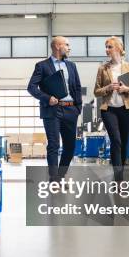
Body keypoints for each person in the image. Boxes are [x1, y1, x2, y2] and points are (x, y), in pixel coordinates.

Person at [27, 36, 82, 181]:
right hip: (52, 110)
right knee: (54, 145)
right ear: (58, 46)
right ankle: (54, 178)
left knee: (70, 147)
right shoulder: (42, 66)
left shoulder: (71, 66)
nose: (69, 48)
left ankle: (60, 175)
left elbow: (76, 87)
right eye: (67, 45)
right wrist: (47, 98)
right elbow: (31, 87)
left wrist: (78, 108)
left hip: (71, 110)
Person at [93, 36, 129, 183]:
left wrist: (126, 89)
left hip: (126, 109)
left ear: (118, 48)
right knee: (116, 141)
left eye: (109, 47)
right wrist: (107, 88)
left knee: (124, 142)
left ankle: (121, 171)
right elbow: (96, 91)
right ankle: (118, 178)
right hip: (109, 110)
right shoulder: (103, 69)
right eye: (106, 47)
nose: (107, 50)